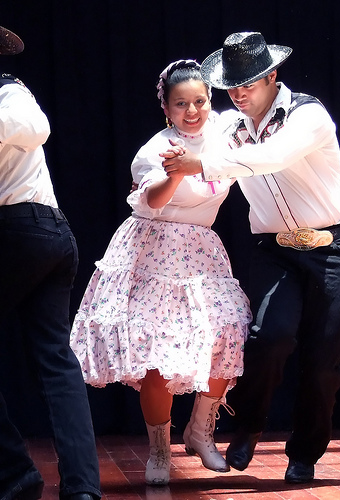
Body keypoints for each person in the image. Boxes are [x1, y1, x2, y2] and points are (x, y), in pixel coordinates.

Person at [161, 32, 340, 484]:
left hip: (334, 247)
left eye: (248, 82)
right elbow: (183, 140)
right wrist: (152, 176)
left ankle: (305, 452)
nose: (238, 92)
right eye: (231, 85)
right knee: (268, 337)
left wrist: (204, 166)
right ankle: (248, 426)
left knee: (322, 359)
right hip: (274, 249)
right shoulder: (227, 126)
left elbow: (271, 157)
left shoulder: (308, 115)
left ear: (272, 76)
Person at [70, 59, 251, 486]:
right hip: (153, 252)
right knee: (156, 358)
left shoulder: (224, 131)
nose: (192, 111)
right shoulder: (155, 149)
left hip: (201, 251)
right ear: (166, 108)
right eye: (181, 104)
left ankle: (200, 430)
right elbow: (149, 199)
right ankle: (158, 450)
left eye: (199, 101)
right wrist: (174, 172)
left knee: (227, 333)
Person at [0, 25, 101, 500]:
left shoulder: (11, 91)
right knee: (56, 360)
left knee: (57, 360)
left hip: (25, 229)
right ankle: (79, 487)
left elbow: (35, 128)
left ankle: (21, 473)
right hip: (40, 234)